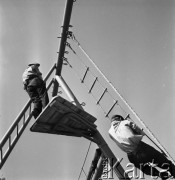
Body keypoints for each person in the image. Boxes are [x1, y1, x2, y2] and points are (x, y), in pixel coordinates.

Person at [108, 114, 175, 179]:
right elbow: (136, 128)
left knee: (144, 168)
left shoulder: (110, 132)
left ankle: (157, 173)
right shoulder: (124, 122)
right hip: (141, 148)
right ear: (120, 119)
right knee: (166, 163)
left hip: (132, 156)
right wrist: (140, 134)